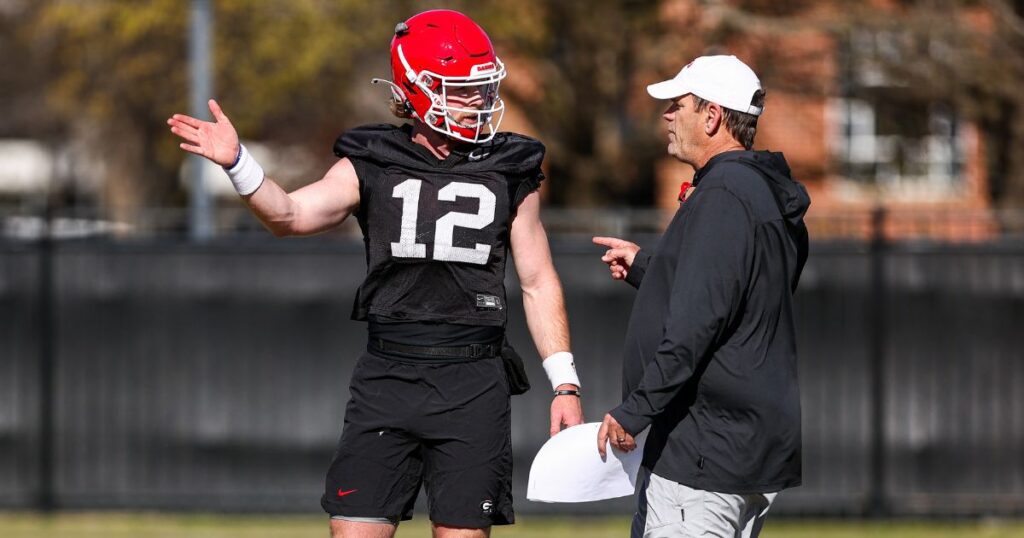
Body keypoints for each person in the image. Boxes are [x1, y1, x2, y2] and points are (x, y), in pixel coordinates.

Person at [167, 9, 584, 538]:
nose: (478, 102)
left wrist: (565, 384)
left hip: (473, 379)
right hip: (389, 375)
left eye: (482, 88)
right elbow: (290, 216)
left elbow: (538, 280)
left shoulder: (511, 166)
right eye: (461, 90)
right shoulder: (372, 159)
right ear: (416, 90)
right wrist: (239, 163)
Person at [593, 55, 810, 538]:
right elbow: (740, 290)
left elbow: (696, 326)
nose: (667, 116)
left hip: (704, 452)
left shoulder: (724, 195)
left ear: (711, 116)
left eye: (678, 105)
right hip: (741, 447)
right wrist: (650, 268)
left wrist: (635, 411)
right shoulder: (759, 190)